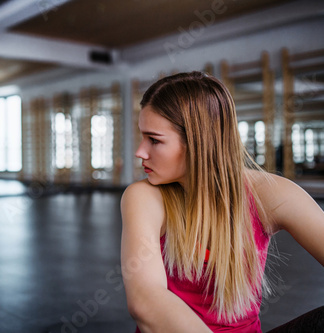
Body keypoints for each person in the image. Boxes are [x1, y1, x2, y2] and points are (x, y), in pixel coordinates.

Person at [120, 71, 324, 332]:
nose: (140, 151)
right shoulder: (145, 197)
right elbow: (145, 300)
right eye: (142, 136)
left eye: (154, 140)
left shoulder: (270, 194)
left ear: (197, 143)